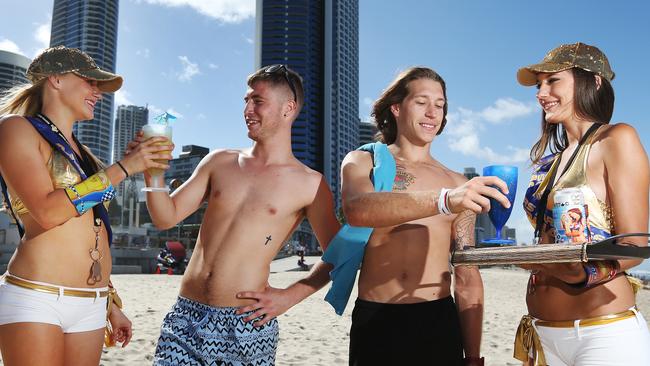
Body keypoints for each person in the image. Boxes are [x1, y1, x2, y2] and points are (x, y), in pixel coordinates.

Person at [143, 64, 340, 365]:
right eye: (246, 101)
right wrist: (153, 174)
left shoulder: (310, 184)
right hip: (186, 317)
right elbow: (165, 217)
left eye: (257, 101)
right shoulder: (219, 162)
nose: (247, 109)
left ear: (288, 108)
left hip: (246, 324)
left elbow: (338, 256)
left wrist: (290, 296)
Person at [0, 46, 171, 365]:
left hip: (92, 303)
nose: (98, 93)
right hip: (38, 296)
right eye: (90, 82)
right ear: (55, 79)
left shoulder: (85, 155)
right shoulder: (16, 128)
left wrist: (110, 302)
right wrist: (123, 167)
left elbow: (93, 227)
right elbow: (49, 213)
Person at [331, 67, 511, 366]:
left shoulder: (456, 182)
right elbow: (358, 209)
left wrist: (474, 355)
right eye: (422, 102)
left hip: (437, 320)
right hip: (377, 319)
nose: (432, 112)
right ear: (397, 107)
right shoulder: (366, 161)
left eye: (439, 105)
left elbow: (466, 274)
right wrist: (443, 200)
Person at [515, 42, 650, 365]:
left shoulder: (616, 139)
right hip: (543, 337)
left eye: (552, 81)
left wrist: (578, 273)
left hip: (602, 336)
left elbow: (634, 245)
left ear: (593, 80)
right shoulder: (547, 163)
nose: (540, 93)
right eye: (538, 85)